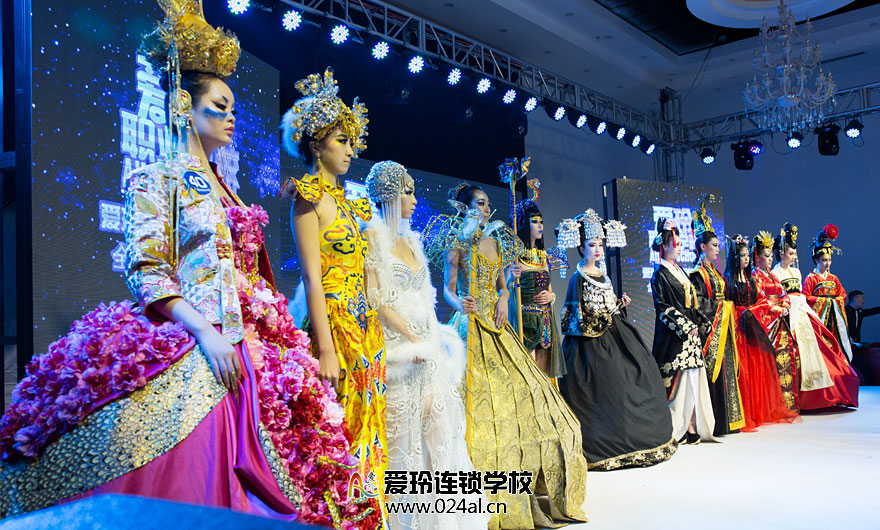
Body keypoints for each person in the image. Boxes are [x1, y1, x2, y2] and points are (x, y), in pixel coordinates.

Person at [1, 5, 378, 528]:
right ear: (184, 104)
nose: (231, 117)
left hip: (257, 337)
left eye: (232, 108)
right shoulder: (157, 178)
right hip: (204, 333)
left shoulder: (226, 188)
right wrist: (205, 332)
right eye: (219, 106)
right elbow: (148, 269)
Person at [423, 182, 587, 529]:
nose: (485, 209)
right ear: (464, 208)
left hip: (498, 325)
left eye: (486, 204)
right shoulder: (456, 241)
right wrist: (460, 304)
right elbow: (448, 289)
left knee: (530, 393)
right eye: (479, 204)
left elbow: (502, 286)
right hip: (470, 326)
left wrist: (502, 298)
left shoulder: (495, 241)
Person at [279, 68, 387, 512]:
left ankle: (370, 513)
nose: (350, 149)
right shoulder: (308, 198)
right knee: (337, 429)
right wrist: (324, 347)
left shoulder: (351, 202)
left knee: (371, 427)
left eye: (351, 141)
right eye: (341, 140)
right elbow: (311, 278)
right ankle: (340, 515)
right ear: (316, 144)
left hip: (366, 331)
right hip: (333, 327)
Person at [362, 161, 488, 530]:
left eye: (414, 191)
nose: (415, 199)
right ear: (389, 195)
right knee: (404, 444)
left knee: (441, 432)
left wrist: (431, 338)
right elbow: (375, 299)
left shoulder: (413, 240)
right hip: (399, 352)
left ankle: (445, 522)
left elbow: (425, 295)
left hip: (427, 348)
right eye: (408, 191)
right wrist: (412, 338)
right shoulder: (370, 236)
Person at [557, 211, 676, 470]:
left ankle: (639, 437)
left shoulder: (603, 275)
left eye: (600, 244)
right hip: (589, 343)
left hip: (614, 333)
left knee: (640, 370)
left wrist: (619, 306)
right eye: (592, 245)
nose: (598, 250)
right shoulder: (578, 277)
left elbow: (608, 304)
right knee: (610, 383)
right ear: (581, 248)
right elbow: (572, 317)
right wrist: (599, 319)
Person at [771, 223, 858, 409]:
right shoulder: (775, 273)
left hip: (802, 311)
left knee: (818, 348)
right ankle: (799, 398)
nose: (794, 257)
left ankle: (824, 394)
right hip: (788, 313)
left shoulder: (796, 271)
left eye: (794, 253)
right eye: (790, 253)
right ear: (781, 253)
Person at [650, 217, 715, 444]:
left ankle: (690, 423)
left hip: (691, 335)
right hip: (674, 336)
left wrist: (703, 322)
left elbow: (692, 304)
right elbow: (662, 307)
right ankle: (678, 425)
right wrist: (686, 326)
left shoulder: (680, 271)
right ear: (664, 245)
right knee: (678, 382)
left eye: (679, 244)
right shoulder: (660, 274)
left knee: (693, 380)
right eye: (674, 244)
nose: (678, 248)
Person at [724, 234, 798, 429]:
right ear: (735, 258)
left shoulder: (751, 279)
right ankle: (743, 413)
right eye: (742, 256)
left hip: (752, 323)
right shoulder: (728, 280)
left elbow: (762, 300)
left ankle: (758, 410)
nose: (746, 259)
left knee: (756, 368)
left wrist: (770, 309)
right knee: (743, 370)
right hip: (737, 326)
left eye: (747, 255)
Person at [688, 197, 745, 436]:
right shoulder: (697, 273)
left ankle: (730, 421)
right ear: (702, 246)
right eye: (713, 245)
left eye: (718, 245)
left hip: (723, 329)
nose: (717, 249)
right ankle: (717, 423)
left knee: (728, 372)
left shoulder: (714, 271)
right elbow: (698, 303)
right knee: (716, 374)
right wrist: (724, 308)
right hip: (711, 331)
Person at [508, 180, 565, 378]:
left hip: (545, 319)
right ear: (524, 223)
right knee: (528, 373)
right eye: (535, 222)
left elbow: (550, 289)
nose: (540, 226)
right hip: (524, 319)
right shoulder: (514, 255)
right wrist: (511, 279)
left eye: (541, 222)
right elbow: (504, 289)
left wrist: (552, 297)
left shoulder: (543, 256)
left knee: (544, 374)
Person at [751, 231, 801, 412]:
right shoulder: (755, 276)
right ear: (757, 257)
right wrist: (778, 310)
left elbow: (783, 293)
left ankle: (788, 404)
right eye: (766, 256)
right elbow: (761, 299)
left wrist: (786, 305)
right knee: (771, 363)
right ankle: (772, 406)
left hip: (781, 321)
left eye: (771, 256)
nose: (770, 259)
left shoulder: (772, 276)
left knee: (787, 361)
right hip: (769, 323)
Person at [803, 224, 855, 363]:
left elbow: (842, 295)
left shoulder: (834, 279)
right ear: (816, 260)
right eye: (824, 260)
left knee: (836, 345)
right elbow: (806, 298)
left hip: (834, 319)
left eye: (829, 260)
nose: (827, 263)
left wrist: (834, 302)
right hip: (819, 319)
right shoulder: (811, 279)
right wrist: (827, 302)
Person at [846, 290, 880, 385]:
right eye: (862, 298)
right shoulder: (845, 312)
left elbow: (871, 311)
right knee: (862, 368)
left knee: (866, 369)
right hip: (847, 347)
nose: (863, 301)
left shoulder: (859, 312)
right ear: (855, 299)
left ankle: (872, 388)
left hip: (856, 347)